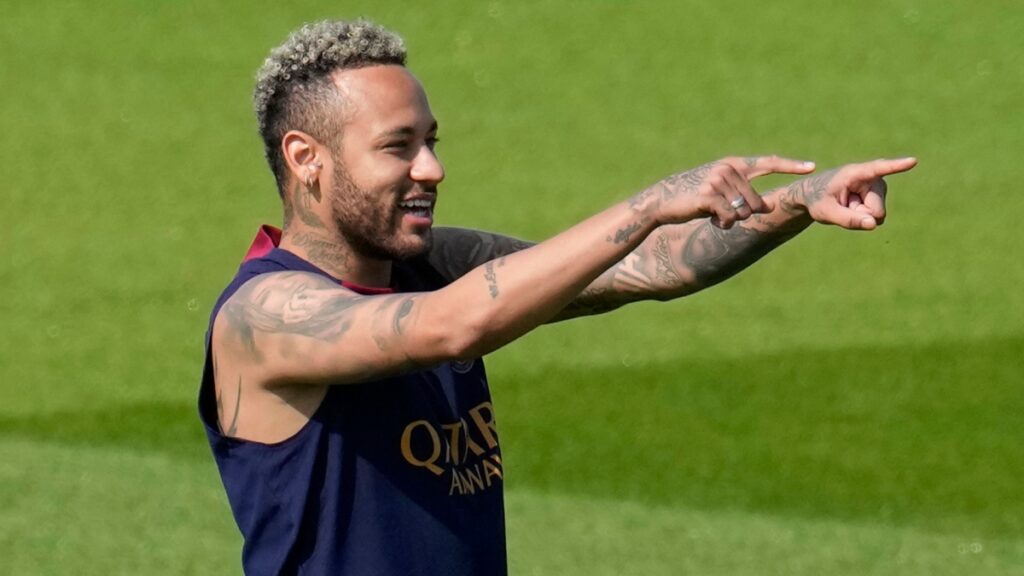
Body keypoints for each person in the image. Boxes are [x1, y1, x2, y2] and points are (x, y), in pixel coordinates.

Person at [198, 18, 916, 576]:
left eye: (432, 140)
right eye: (399, 147)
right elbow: (451, 327)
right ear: (305, 158)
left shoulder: (431, 262)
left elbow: (642, 268)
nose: (433, 168)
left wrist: (796, 201)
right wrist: (650, 202)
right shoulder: (262, 318)